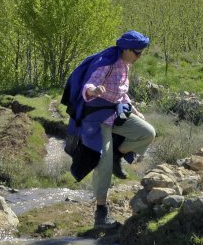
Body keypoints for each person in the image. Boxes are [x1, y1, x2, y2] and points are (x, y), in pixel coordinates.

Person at [62, 31, 156, 229]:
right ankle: (101, 214)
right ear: (126, 49)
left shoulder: (125, 65)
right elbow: (90, 84)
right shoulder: (108, 63)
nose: (139, 57)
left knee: (147, 133)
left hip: (116, 114)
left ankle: (116, 156)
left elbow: (122, 93)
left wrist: (135, 111)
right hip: (97, 120)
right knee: (103, 162)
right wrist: (94, 90)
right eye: (137, 53)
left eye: (141, 53)